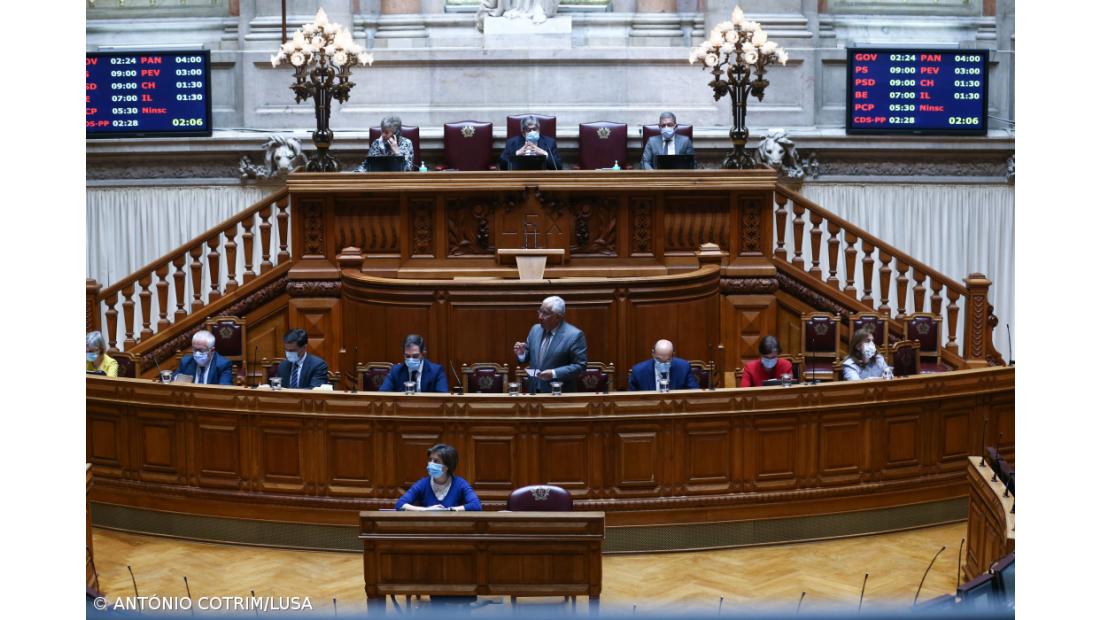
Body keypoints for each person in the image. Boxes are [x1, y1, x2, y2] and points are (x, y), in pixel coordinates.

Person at [513, 295, 587, 392]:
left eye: (545, 313)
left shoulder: (574, 335)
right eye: (540, 311)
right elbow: (527, 356)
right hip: (534, 391)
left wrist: (554, 373)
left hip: (558, 393)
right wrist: (521, 354)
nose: (540, 317)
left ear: (558, 317)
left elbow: (580, 366)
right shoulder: (535, 329)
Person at [395, 444, 482, 511]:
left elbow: (476, 505)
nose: (431, 464)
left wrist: (450, 510)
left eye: (436, 461)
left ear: (447, 466)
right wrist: (425, 510)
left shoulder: (460, 484)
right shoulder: (423, 483)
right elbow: (400, 504)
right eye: (430, 460)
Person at [379, 334, 449, 393]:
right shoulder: (395, 371)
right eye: (407, 356)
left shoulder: (437, 371)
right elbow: (383, 394)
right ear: (403, 354)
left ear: (423, 353)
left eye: (415, 356)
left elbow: (442, 398)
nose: (411, 359)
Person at [628, 339, 699, 391]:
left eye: (668, 360)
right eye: (659, 360)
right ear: (653, 353)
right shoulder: (638, 371)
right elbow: (631, 398)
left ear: (673, 355)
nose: (663, 364)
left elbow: (694, 392)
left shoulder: (684, 367)